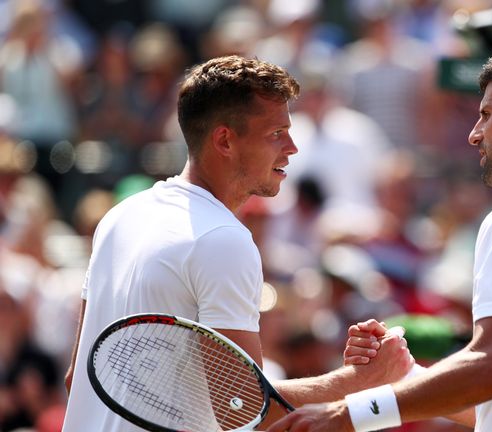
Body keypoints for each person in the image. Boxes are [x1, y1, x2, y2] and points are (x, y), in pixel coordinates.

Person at [266, 45, 492, 432]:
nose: (475, 135)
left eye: (486, 115)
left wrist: (348, 413)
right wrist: (405, 375)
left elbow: (491, 369)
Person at [60, 55, 413, 432]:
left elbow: (75, 378)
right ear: (225, 141)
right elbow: (244, 410)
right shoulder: (223, 240)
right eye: (276, 133)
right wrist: (360, 381)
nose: (293, 147)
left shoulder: (121, 216)